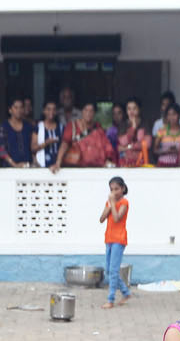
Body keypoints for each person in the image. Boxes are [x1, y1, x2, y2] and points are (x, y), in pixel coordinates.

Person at [100, 176, 130, 307]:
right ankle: (125, 292)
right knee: (109, 270)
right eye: (112, 189)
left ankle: (110, 299)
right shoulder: (110, 203)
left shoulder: (124, 203)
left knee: (113, 270)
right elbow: (101, 219)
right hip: (109, 238)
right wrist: (109, 204)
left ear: (122, 189)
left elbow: (117, 218)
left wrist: (112, 203)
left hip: (119, 239)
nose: (114, 192)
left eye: (116, 189)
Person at [55, 103, 112, 170]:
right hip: (76, 168)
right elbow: (64, 144)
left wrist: (109, 160)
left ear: (94, 113)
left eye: (91, 111)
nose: (88, 113)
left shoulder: (97, 127)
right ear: (82, 111)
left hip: (96, 168)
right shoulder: (72, 126)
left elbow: (107, 147)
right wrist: (58, 162)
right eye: (86, 110)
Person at [0, 98, 33, 168]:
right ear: (10, 110)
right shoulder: (4, 126)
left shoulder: (28, 126)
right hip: (9, 168)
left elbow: (32, 147)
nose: (19, 110)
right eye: (16, 107)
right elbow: (1, 149)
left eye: (21, 107)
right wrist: (14, 164)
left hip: (27, 166)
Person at [116, 99, 150, 168]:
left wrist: (129, 147)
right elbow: (122, 143)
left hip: (141, 162)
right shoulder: (123, 125)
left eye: (134, 108)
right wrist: (133, 128)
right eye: (129, 109)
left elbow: (147, 144)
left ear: (139, 110)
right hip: (125, 163)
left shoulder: (144, 124)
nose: (131, 111)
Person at [151, 103, 180, 169]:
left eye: (174, 114)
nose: (171, 117)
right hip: (163, 165)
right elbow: (155, 150)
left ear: (179, 115)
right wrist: (167, 151)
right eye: (169, 114)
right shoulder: (162, 130)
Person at [33, 100, 63, 169]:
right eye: (48, 109)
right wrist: (46, 143)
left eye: (54, 109)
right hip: (41, 165)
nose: (51, 112)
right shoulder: (38, 127)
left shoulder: (61, 127)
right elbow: (33, 148)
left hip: (59, 166)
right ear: (44, 111)